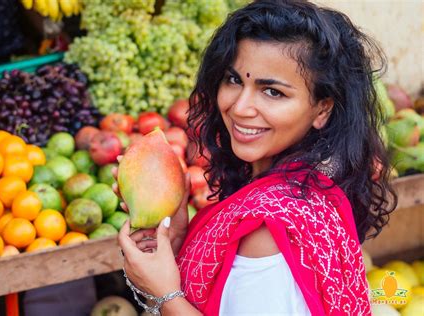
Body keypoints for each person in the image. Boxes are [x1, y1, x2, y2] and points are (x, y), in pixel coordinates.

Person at [117, 1, 397, 315]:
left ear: (322, 109)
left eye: (273, 92)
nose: (240, 107)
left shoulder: (266, 233)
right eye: (234, 80)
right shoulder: (303, 189)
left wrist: (164, 296)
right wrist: (179, 238)